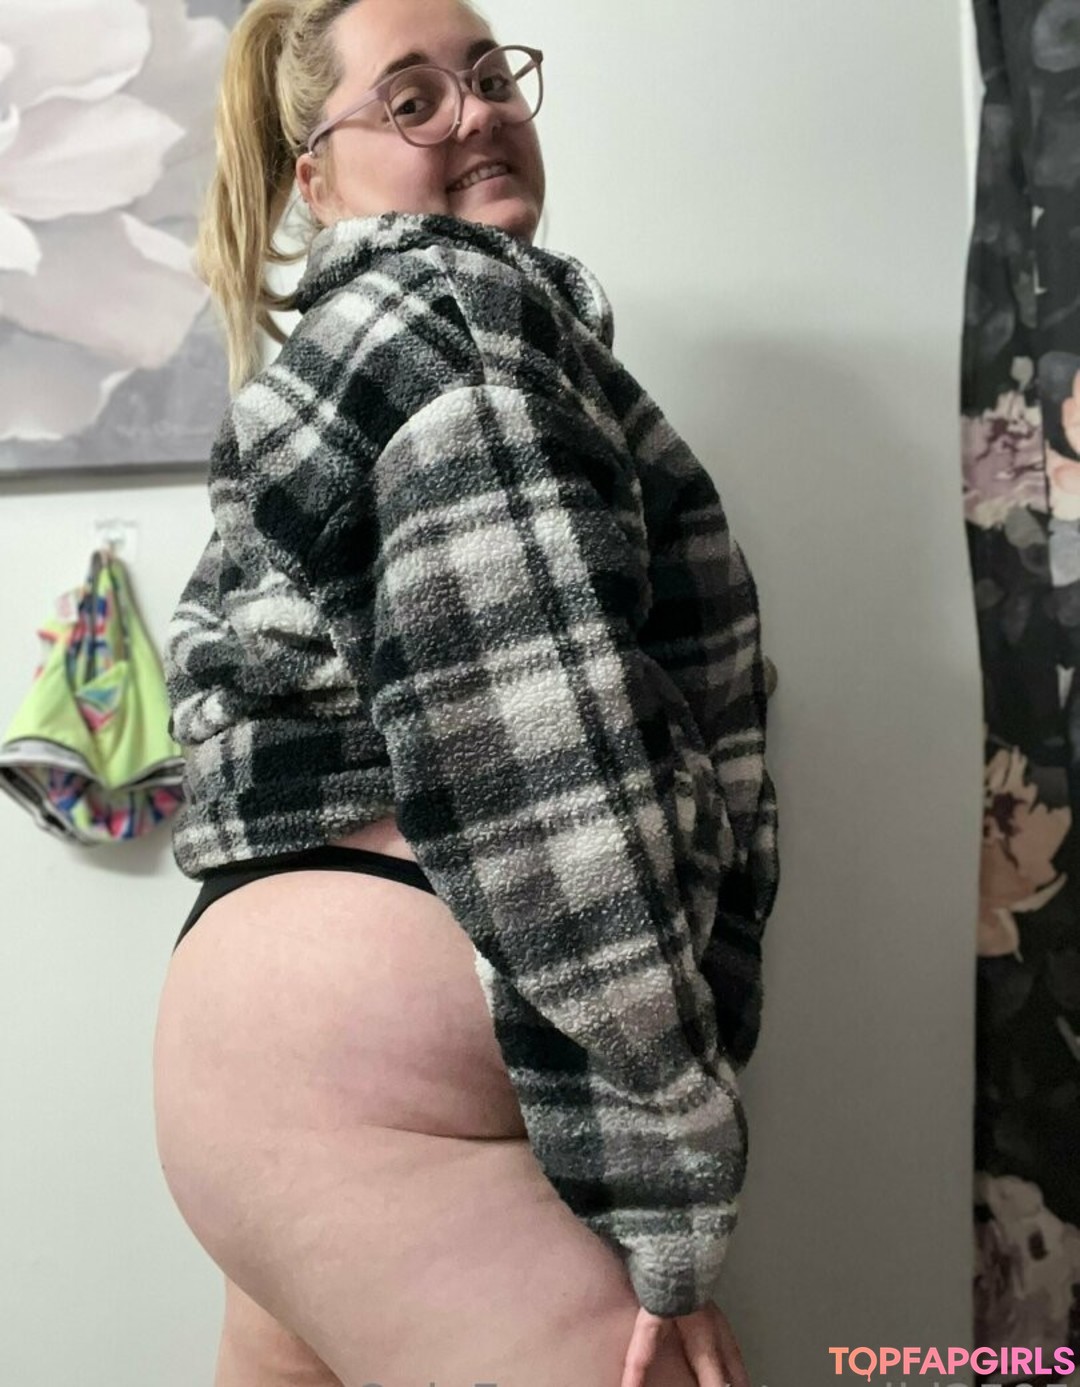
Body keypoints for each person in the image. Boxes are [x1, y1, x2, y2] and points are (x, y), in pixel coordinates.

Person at [151, 1, 779, 1385]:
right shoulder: (460, 312)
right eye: (414, 97)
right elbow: (544, 763)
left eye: (491, 75)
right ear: (318, 178)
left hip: (258, 1068)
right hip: (380, 1094)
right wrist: (669, 1187)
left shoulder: (339, 353)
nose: (479, 110)